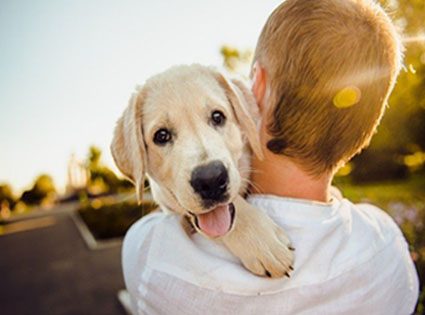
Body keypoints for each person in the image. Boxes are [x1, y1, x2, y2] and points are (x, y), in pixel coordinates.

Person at [122, 0, 419, 314]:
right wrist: (238, 219)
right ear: (366, 127)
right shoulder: (388, 246)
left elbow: (161, 212)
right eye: (163, 136)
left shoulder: (151, 255)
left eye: (217, 118)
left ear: (257, 89)